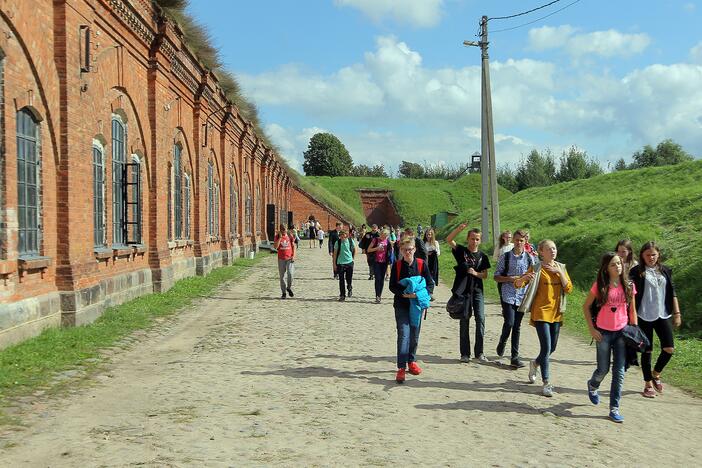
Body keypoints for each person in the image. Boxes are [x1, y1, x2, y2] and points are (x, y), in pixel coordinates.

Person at [583, 252, 637, 423]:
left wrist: (633, 331)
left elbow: (632, 311)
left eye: (619, 264)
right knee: (603, 369)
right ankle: (593, 385)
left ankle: (614, 408)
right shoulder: (599, 286)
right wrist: (592, 330)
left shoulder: (628, 285)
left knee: (619, 372)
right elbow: (586, 307)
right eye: (613, 264)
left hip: (622, 333)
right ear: (606, 268)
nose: (618, 267)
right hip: (603, 333)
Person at [515, 239, 573, 397]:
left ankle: (535, 363)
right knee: (546, 347)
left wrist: (560, 274)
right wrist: (521, 280)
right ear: (541, 252)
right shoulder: (536, 268)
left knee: (551, 348)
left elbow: (568, 288)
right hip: (541, 312)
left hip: (557, 313)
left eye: (554, 248)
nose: (553, 251)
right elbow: (519, 283)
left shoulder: (561, 267)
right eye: (549, 249)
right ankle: (547, 383)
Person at [630, 241, 682, 398]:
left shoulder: (665, 270)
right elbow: (630, 294)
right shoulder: (636, 271)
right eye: (648, 255)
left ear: (658, 254)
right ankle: (647, 384)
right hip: (644, 315)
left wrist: (677, 313)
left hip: (662, 314)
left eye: (654, 254)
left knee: (669, 349)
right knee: (647, 350)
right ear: (642, 256)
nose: (651, 257)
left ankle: (656, 374)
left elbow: (672, 292)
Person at [389, 237, 435, 383]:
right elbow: (392, 286)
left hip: (416, 305)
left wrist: (417, 294)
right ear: (401, 251)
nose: (408, 252)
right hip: (401, 305)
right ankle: (401, 368)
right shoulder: (396, 265)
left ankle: (411, 361)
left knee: (414, 334)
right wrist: (404, 293)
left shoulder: (422, 265)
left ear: (415, 249)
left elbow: (430, 285)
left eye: (410, 249)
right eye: (405, 250)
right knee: (404, 334)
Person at [447, 224, 491, 362]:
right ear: (468, 239)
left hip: (477, 291)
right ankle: (465, 354)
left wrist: (476, 273)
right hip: (463, 291)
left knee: (480, 319)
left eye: (477, 239)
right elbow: (449, 240)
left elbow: (485, 275)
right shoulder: (462, 251)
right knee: (464, 320)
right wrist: (458, 229)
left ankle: (479, 353)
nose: (474, 241)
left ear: (480, 240)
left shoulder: (483, 256)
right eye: (472, 238)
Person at [493, 229, 535, 368]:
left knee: (517, 326)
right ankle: (502, 341)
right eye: (516, 240)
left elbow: (534, 276)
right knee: (510, 322)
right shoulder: (505, 257)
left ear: (525, 242)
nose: (518, 243)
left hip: (522, 295)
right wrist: (510, 279)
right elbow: (496, 276)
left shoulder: (530, 258)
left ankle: (514, 357)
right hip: (508, 294)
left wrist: (528, 279)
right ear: (513, 241)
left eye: (521, 241)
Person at [367, 229, 391, 303]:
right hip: (376, 261)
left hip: (384, 262)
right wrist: (377, 248)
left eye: (385, 236)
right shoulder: (375, 240)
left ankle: (380, 295)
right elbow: (368, 250)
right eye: (382, 235)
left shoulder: (388, 242)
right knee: (377, 278)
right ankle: (377, 296)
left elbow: (390, 252)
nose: (383, 237)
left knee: (382, 279)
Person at [273, 224, 296, 299]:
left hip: (289, 258)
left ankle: (288, 288)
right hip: (281, 258)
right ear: (280, 229)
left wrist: (294, 255)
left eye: (285, 229)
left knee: (290, 273)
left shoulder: (289, 235)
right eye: (282, 229)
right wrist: (280, 238)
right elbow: (275, 247)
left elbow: (293, 246)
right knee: (282, 276)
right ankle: (283, 292)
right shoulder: (277, 236)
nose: (284, 230)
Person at [332, 230, 356, 301]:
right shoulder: (338, 242)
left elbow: (354, 250)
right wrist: (334, 265)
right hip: (340, 263)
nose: (342, 237)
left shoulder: (351, 241)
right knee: (341, 280)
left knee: (349, 278)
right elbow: (335, 254)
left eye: (344, 235)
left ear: (347, 235)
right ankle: (342, 295)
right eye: (341, 235)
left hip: (349, 262)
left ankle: (349, 287)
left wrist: (353, 259)